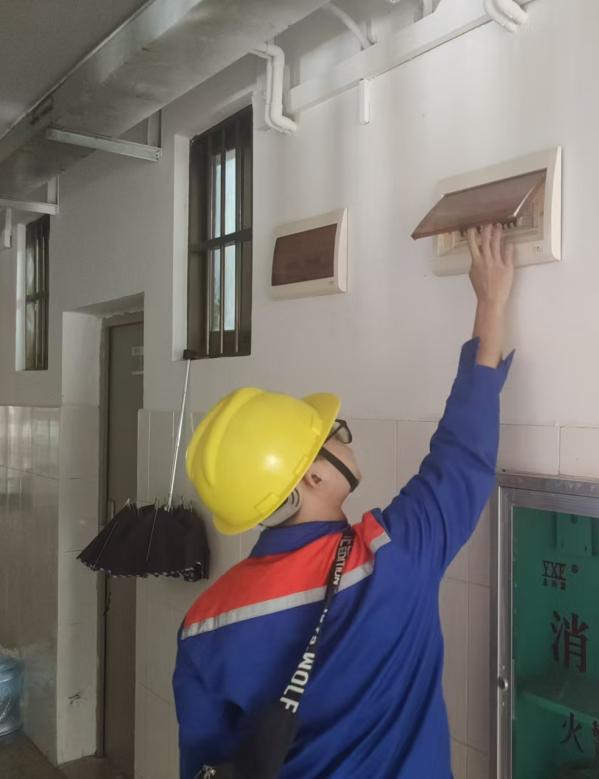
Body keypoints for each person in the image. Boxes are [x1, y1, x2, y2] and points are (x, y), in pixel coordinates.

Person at [174, 224, 515, 778]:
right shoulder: (388, 561)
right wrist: (491, 303)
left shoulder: (204, 624)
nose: (342, 437)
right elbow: (462, 455)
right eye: (331, 435)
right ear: (310, 478)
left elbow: (204, 765)